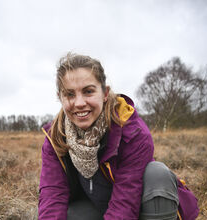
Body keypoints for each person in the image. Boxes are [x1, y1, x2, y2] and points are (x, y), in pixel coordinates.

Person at [38, 52, 180, 219]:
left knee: (157, 174)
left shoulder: (133, 132)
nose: (79, 103)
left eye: (88, 91)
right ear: (60, 97)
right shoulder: (55, 138)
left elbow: (125, 202)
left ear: (105, 93)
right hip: (99, 208)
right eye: (69, 94)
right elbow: (53, 194)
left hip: (136, 208)